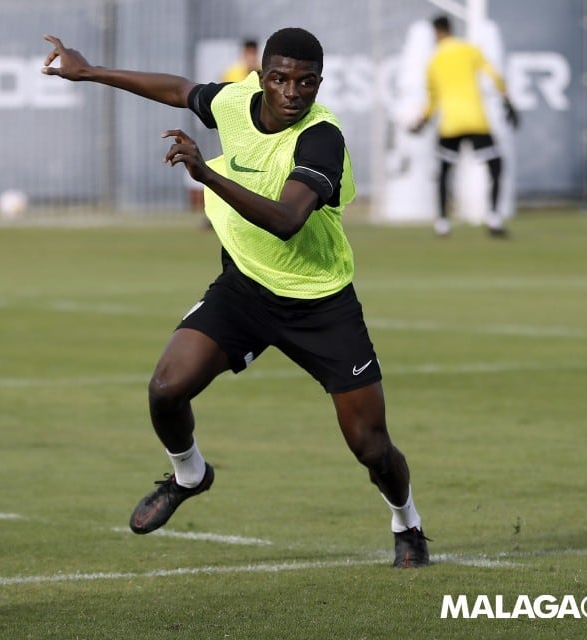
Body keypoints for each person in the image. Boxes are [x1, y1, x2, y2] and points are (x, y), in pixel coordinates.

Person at [42, 27, 429, 568]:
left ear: (320, 83)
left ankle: (406, 522)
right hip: (245, 289)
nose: (292, 92)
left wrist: (205, 175)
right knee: (165, 389)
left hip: (319, 301)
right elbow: (179, 89)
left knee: (371, 446)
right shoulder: (233, 102)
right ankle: (190, 474)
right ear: (262, 77)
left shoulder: (322, 138)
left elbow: (289, 220)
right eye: (280, 79)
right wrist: (88, 72)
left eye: (306, 82)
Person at [412, 15, 518, 237]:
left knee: (444, 172)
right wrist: (507, 101)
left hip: (450, 124)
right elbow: (494, 74)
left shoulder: (434, 60)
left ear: (438, 33)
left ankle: (442, 223)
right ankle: (493, 219)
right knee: (495, 166)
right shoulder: (469, 49)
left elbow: (432, 100)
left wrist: (422, 120)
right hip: (475, 120)